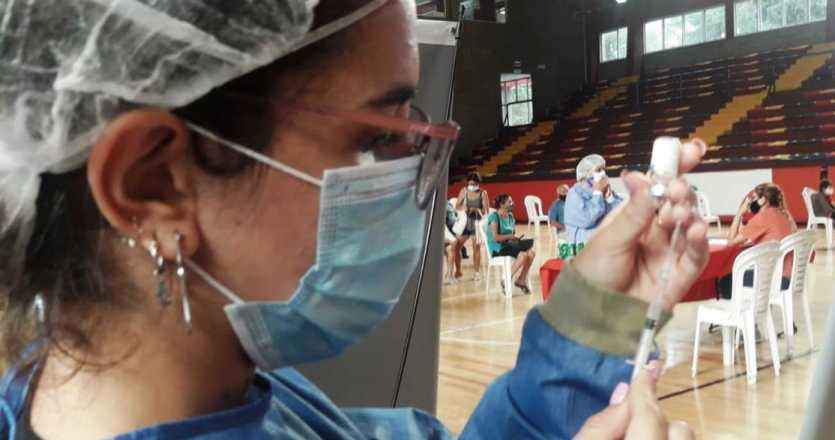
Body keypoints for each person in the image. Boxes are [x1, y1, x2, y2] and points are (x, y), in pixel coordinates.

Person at [0, 2, 711, 437]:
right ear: (152, 185)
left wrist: (593, 314)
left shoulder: (238, 391)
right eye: (377, 136)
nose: (407, 174)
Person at [718, 184, 798, 299]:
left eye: (754, 198)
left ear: (763, 200)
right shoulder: (784, 216)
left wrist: (739, 213)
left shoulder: (763, 217)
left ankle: (741, 308)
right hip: (789, 278)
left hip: (774, 281)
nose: (752, 202)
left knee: (724, 282)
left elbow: (731, 242)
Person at [565, 154, 624, 245]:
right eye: (599, 170)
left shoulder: (604, 190)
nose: (603, 173)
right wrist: (598, 193)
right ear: (585, 175)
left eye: (604, 169)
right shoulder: (575, 193)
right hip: (583, 246)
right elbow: (587, 220)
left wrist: (610, 199)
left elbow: (621, 215)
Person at [486, 194, 536, 294]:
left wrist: (517, 239)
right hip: (497, 248)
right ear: (501, 204)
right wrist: (509, 237)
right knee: (523, 255)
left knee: (531, 253)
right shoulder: (494, 217)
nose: (512, 203)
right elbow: (496, 238)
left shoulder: (510, 216)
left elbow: (512, 233)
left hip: (509, 245)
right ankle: (506, 279)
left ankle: (521, 280)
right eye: (509, 202)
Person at [453, 172, 489, 280]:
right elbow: (457, 206)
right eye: (470, 184)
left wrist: (477, 209)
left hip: (477, 223)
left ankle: (477, 273)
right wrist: (464, 208)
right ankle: (458, 271)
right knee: (457, 246)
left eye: (474, 184)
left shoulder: (483, 193)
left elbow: (486, 211)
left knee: (476, 248)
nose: (471, 186)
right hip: (465, 222)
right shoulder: (464, 191)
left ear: (478, 183)